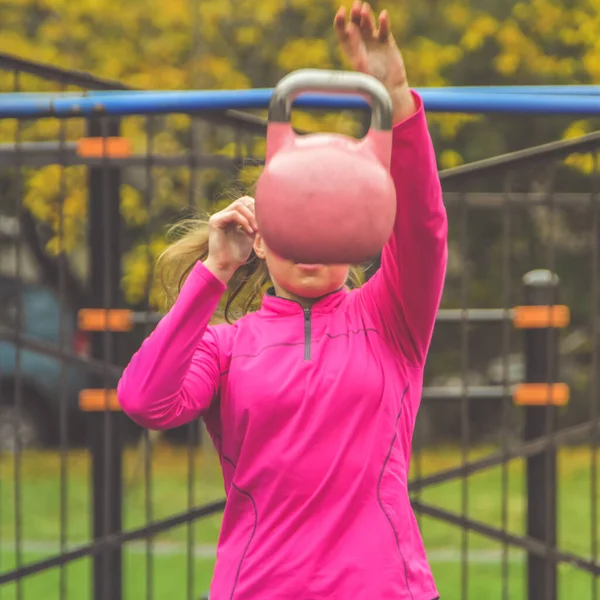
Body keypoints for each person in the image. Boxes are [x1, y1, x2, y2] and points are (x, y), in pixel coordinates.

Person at [118, 2, 448, 598]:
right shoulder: (226, 344)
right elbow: (145, 401)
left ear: (357, 233)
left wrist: (394, 94)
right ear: (260, 237)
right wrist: (214, 271)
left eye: (331, 223)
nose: (312, 242)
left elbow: (423, 227)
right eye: (297, 223)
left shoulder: (389, 319)